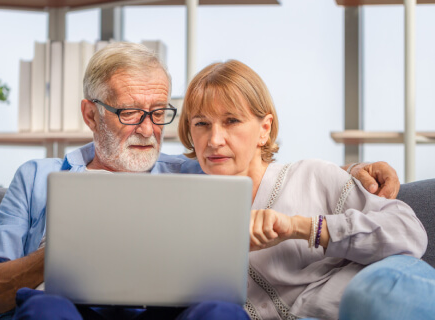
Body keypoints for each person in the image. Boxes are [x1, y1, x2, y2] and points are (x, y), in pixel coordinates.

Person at [0, 43, 401, 320]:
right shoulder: (36, 178)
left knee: (220, 312)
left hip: (169, 313)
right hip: (62, 307)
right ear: (90, 114)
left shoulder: (195, 173)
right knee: (45, 309)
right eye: (131, 112)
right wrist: (58, 256)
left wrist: (353, 176)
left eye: (159, 113)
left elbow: (261, 170)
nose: (148, 128)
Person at [177, 59, 432, 320]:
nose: (215, 140)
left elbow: (409, 233)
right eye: (201, 124)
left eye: (231, 121)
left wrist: (301, 228)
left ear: (264, 129)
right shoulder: (185, 211)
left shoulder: (311, 176)